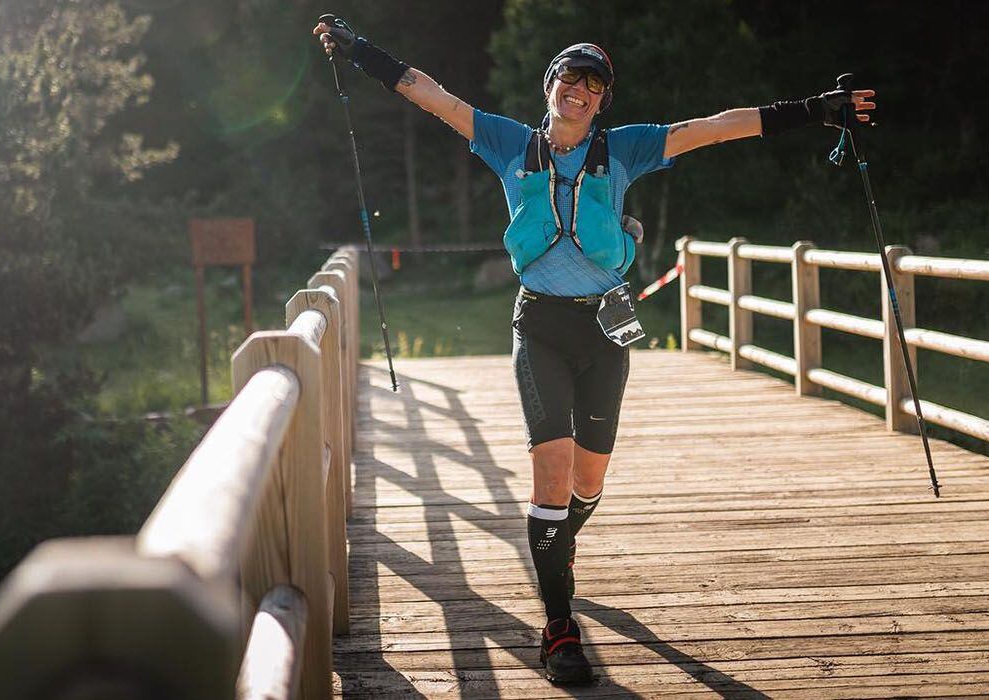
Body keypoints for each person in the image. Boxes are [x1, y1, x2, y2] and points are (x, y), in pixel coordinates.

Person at [313, 16, 874, 685]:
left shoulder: (625, 149)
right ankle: (559, 628)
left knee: (587, 481)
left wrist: (816, 111)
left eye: (593, 86)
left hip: (607, 331)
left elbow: (716, 126)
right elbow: (431, 94)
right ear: (550, 86)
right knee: (550, 474)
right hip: (540, 325)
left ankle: (561, 543)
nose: (578, 92)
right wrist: (361, 54)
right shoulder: (507, 141)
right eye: (569, 79)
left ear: (603, 101)